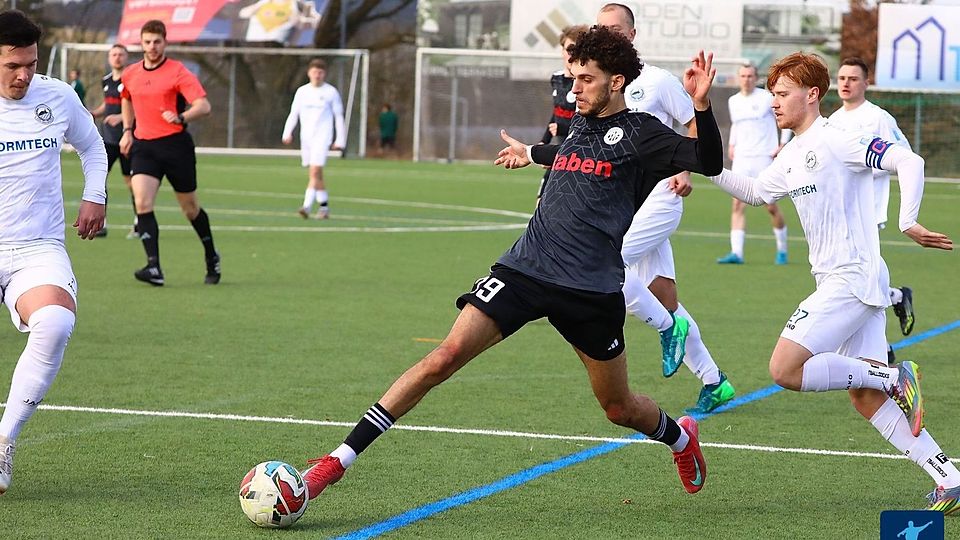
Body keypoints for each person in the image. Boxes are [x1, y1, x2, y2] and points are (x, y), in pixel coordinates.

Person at [297, 27, 723, 502]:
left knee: (619, 408)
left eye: (586, 79)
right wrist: (531, 153)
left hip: (591, 289)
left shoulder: (644, 134)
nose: (574, 87)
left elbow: (707, 160)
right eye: (573, 76)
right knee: (443, 357)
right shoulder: (581, 119)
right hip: (525, 268)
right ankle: (335, 463)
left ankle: (681, 439)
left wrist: (701, 107)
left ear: (617, 82)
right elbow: (569, 151)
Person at [706, 52, 960, 514]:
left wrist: (908, 221)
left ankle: (893, 374)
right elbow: (757, 191)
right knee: (865, 398)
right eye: (773, 94)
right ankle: (950, 477)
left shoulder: (840, 139)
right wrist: (707, 166)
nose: (774, 103)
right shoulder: (792, 152)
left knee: (784, 369)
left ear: (812, 94)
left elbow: (911, 161)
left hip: (851, 279)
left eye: (782, 94)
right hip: (849, 280)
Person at [596, 2, 735, 414]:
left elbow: (693, 120)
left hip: (659, 198)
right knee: (664, 296)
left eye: (615, 30)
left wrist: (687, 172)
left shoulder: (656, 81)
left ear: (632, 35)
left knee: (606, 267)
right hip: (622, 203)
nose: (608, 36)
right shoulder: (604, 85)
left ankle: (667, 327)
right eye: (601, 29)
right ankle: (715, 381)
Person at [0, 9, 107, 494]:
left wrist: (95, 195)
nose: (23, 74)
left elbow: (92, 146)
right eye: (12, 65)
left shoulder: (57, 95)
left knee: (57, 322)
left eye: (30, 63)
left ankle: (3, 442)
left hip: (36, 246)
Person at [119, 19, 220, 286]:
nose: (152, 47)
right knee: (142, 202)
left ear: (165, 42)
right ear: (141, 43)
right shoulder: (130, 73)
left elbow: (204, 105)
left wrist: (182, 116)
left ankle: (212, 256)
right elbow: (126, 98)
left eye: (157, 42)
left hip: (176, 147)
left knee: (190, 209)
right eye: (147, 42)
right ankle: (154, 268)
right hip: (144, 147)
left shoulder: (178, 72)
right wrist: (127, 130)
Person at [828, 57, 916, 361]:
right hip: (841, 212)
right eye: (841, 78)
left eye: (853, 78)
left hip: (869, 211)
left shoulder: (877, 118)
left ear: (866, 83)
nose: (846, 83)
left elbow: (903, 156)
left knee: (859, 278)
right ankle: (896, 296)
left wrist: (866, 165)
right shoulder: (834, 121)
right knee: (860, 277)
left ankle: (882, 347)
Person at [716, 62, 789, 265]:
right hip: (742, 158)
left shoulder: (767, 98)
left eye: (750, 76)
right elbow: (737, 125)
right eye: (743, 76)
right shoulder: (734, 101)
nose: (746, 79)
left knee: (770, 206)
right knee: (737, 204)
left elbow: (785, 119)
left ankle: (782, 249)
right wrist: (732, 144)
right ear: (738, 78)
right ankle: (736, 253)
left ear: (755, 78)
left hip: (763, 158)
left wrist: (783, 143)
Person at [282, 58, 346, 220]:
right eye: (315, 72)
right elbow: (294, 113)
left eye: (321, 72)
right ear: (309, 73)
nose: (317, 75)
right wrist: (287, 132)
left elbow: (339, 117)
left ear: (324, 74)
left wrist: (340, 140)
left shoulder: (330, 92)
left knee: (315, 171)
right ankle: (324, 208)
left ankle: (306, 206)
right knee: (316, 175)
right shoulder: (302, 92)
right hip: (307, 138)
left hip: (322, 137)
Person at [89, 44, 137, 239]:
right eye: (114, 54)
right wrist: (93, 113)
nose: (117, 57)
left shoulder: (132, 80)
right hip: (108, 139)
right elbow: (106, 105)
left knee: (132, 182)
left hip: (127, 139)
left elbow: (136, 106)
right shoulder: (106, 80)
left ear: (126, 57)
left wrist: (120, 118)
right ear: (109, 58)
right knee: (100, 178)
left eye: (121, 54)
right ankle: (102, 224)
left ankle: (139, 223)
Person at [534, 24, 586, 202]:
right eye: (568, 49)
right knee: (541, 202)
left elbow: (589, 120)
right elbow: (555, 115)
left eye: (576, 49)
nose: (571, 54)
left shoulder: (587, 82)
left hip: (579, 156)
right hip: (558, 151)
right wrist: (544, 141)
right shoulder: (556, 79)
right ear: (562, 50)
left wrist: (564, 127)